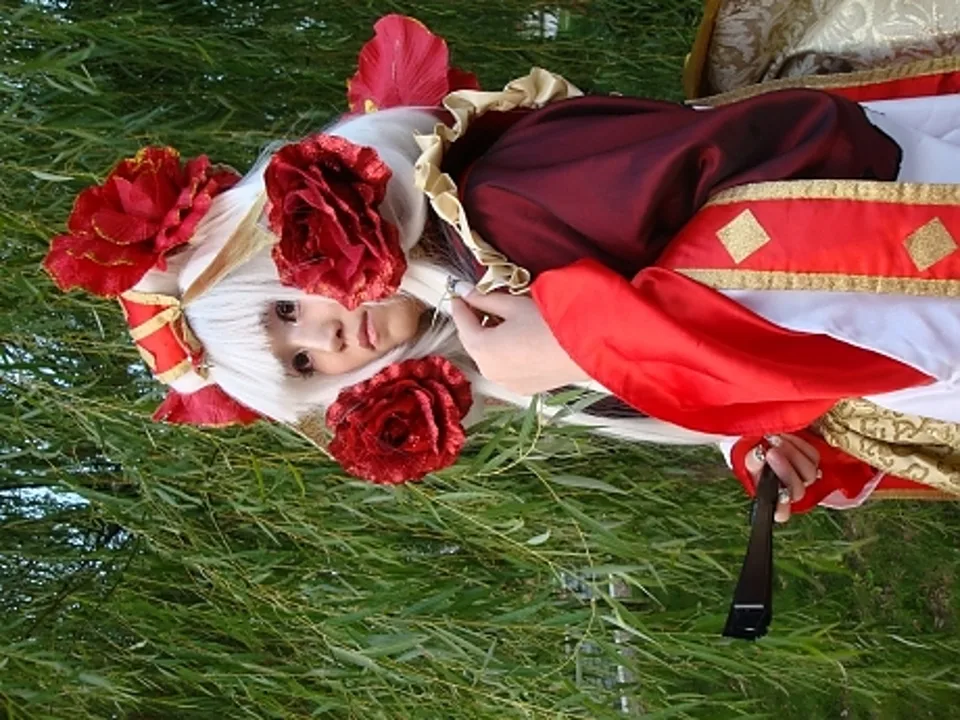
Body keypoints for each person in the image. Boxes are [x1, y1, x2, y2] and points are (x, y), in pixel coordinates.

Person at [44, 15, 960, 520]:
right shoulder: (498, 331)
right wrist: (745, 436)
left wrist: (586, 340)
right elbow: (727, 350)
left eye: (284, 309)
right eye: (302, 363)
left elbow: (775, 170)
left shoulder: (499, 198)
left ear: (285, 227)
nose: (325, 336)